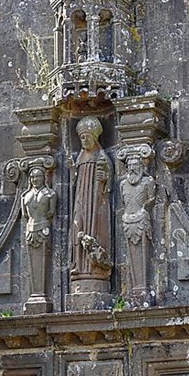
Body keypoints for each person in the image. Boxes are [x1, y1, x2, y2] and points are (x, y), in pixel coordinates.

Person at [71, 116, 112, 285]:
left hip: (96, 198)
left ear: (95, 137)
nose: (84, 140)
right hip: (81, 197)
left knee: (95, 227)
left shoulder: (102, 157)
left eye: (87, 136)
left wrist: (105, 179)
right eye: (81, 137)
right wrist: (72, 171)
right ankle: (78, 265)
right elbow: (74, 181)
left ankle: (96, 266)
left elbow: (108, 178)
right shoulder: (80, 157)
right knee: (77, 225)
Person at [120, 156, 155, 293]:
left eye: (135, 164)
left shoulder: (148, 182)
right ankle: (138, 287)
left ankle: (141, 287)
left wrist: (143, 209)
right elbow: (124, 200)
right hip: (128, 219)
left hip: (141, 218)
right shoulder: (123, 184)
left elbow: (151, 198)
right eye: (130, 165)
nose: (132, 167)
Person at [21, 167, 57, 248]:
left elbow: (51, 212)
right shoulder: (25, 195)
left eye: (38, 176)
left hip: (43, 226)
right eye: (32, 177)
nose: (35, 179)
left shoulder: (50, 194)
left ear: (44, 178)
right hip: (29, 229)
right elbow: (25, 214)